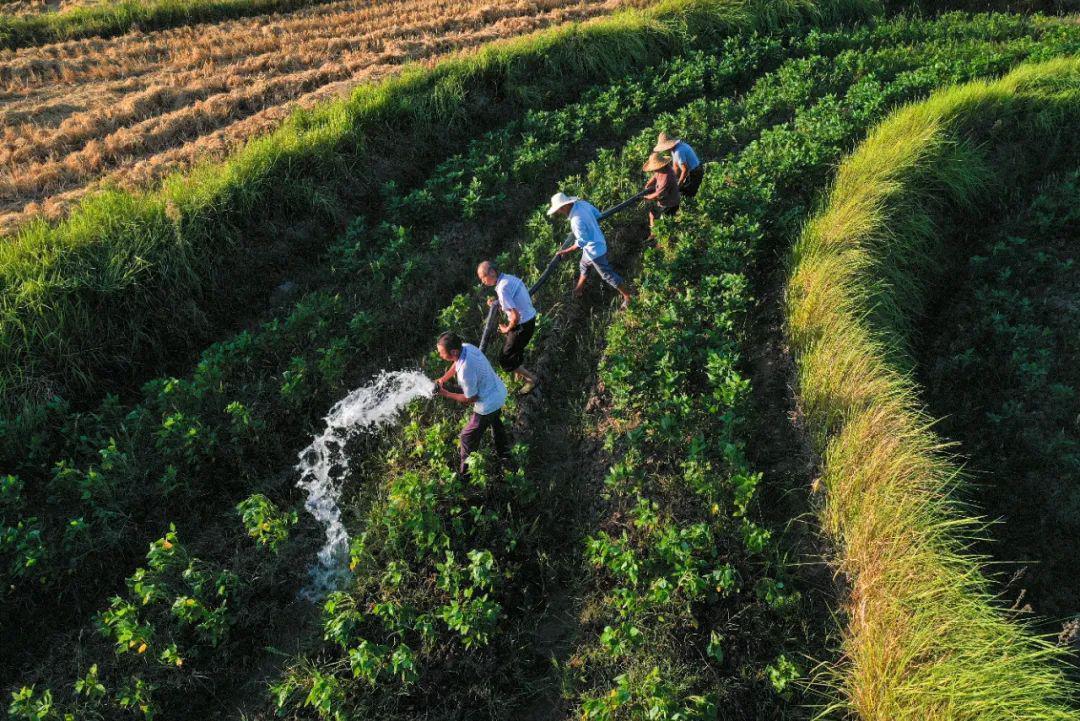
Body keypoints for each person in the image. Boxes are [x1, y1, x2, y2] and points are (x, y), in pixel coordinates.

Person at [432, 332, 511, 478]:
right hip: (498, 390)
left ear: (454, 351)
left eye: (442, 353)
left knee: (466, 437)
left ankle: (465, 475)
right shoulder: (467, 347)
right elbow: (456, 364)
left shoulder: (465, 372)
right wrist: (443, 379)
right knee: (495, 421)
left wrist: (447, 394)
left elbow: (471, 398)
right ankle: (505, 454)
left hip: (488, 403)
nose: (440, 356)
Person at [547, 192, 633, 310]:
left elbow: (582, 242)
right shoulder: (582, 204)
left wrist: (565, 251)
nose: (560, 212)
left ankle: (628, 296)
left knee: (607, 275)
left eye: (560, 210)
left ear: (564, 206)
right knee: (584, 264)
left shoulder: (576, 220)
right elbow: (597, 214)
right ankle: (578, 289)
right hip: (597, 242)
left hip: (595, 252)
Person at [477, 261, 540, 394]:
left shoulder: (502, 288)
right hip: (530, 319)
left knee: (504, 359)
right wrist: (496, 303)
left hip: (522, 325)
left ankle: (532, 379)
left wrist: (506, 329)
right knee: (515, 348)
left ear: (492, 272)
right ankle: (519, 370)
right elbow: (512, 302)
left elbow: (515, 316)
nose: (483, 281)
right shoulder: (507, 279)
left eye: (483, 277)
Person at [641, 152, 680, 236]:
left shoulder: (668, 175)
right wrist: (648, 185)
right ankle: (653, 234)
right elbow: (655, 176)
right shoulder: (660, 169)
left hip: (670, 204)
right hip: (663, 200)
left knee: (664, 224)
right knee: (652, 214)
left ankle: (662, 242)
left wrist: (648, 197)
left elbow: (660, 192)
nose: (654, 169)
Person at [654, 132, 704, 197]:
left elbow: (685, 170)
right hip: (691, 172)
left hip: (695, 173)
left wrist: (679, 184)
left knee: (686, 195)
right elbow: (676, 168)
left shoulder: (678, 151)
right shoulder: (674, 150)